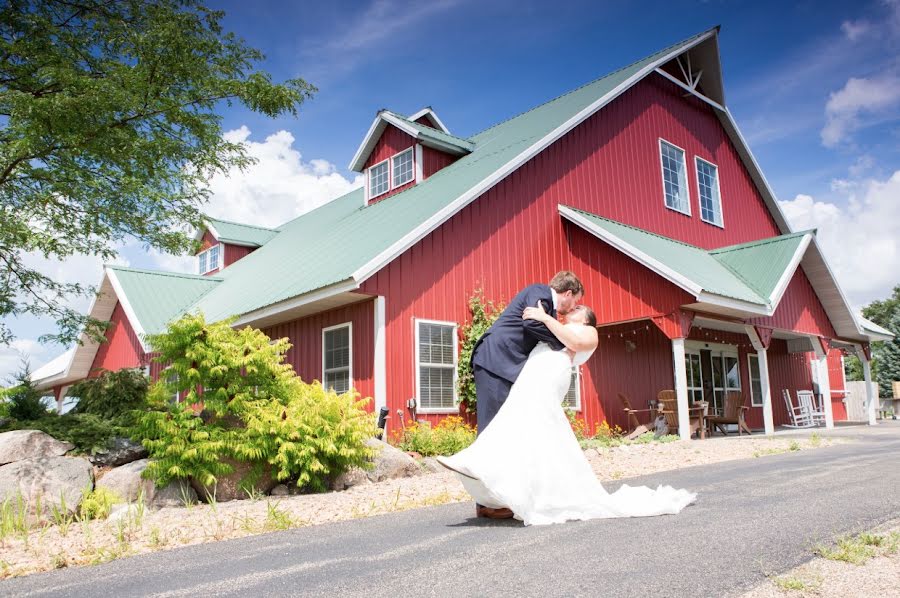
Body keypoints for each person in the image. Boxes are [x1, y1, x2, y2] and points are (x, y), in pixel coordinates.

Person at [438, 303, 696, 526]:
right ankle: (500, 481)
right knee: (520, 427)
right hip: (531, 376)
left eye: (577, 309)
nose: (571, 310)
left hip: (549, 377)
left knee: (518, 419)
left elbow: (572, 343)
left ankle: (476, 461)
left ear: (586, 319)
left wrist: (544, 317)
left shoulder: (588, 332)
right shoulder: (556, 329)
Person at [465, 271, 583, 518]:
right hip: (495, 362)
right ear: (568, 293)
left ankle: (499, 497)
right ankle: (485, 503)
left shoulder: (547, 309)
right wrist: (562, 344)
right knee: (491, 430)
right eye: (576, 301)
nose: (574, 307)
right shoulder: (539, 292)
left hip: (506, 368)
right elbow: (531, 322)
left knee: (505, 430)